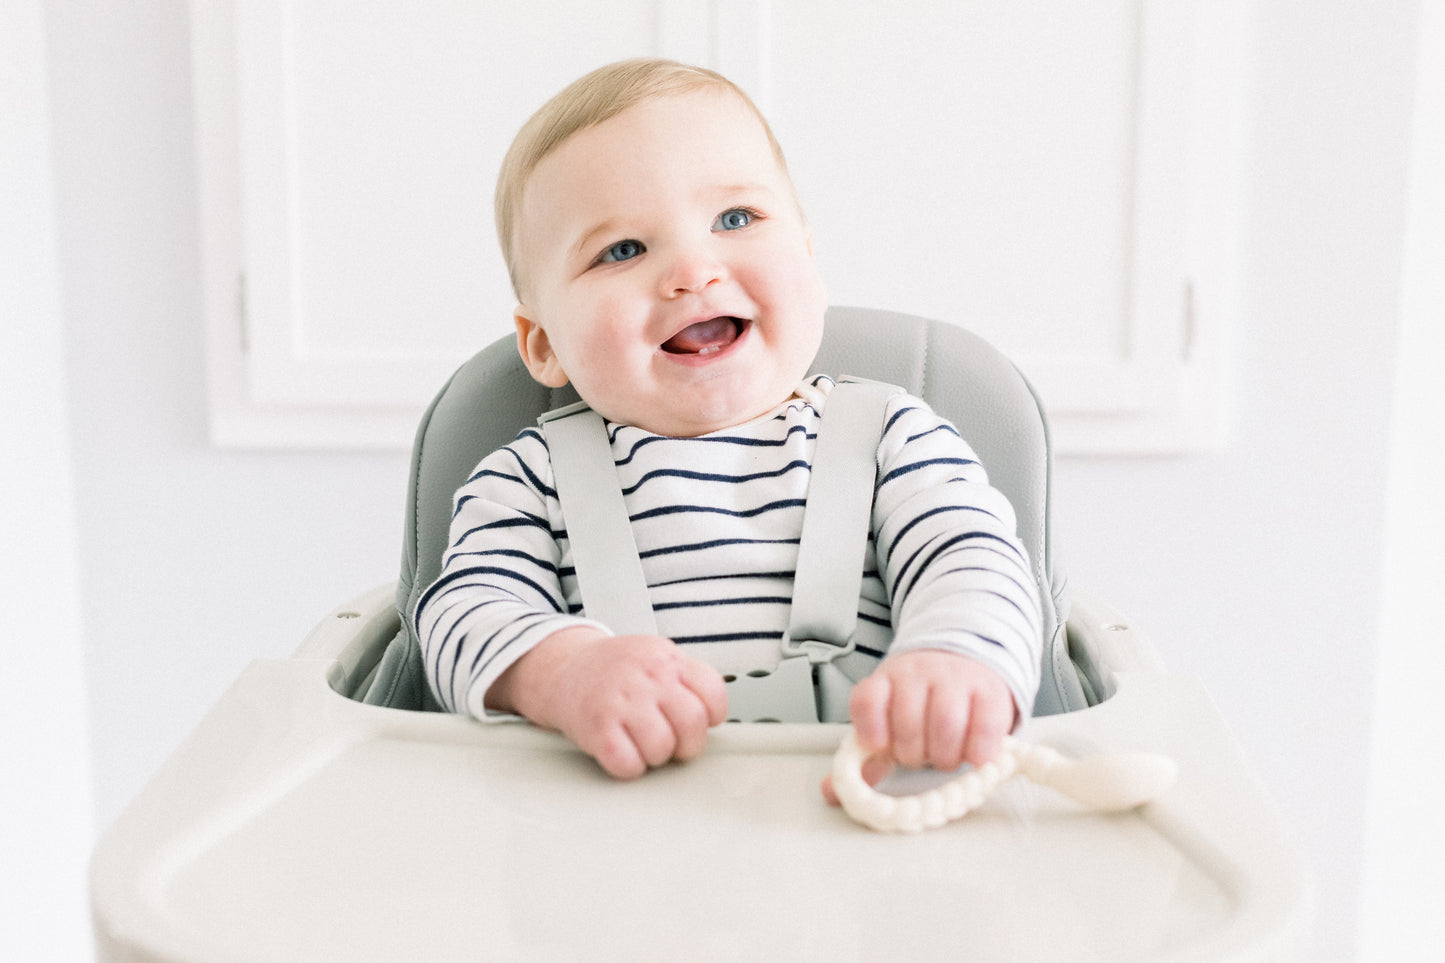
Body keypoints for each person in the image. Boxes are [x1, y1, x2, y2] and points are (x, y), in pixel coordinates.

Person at [414, 59, 1041, 799]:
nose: (692, 270)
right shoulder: (526, 478)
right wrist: (560, 671)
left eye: (735, 219)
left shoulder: (890, 438)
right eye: (621, 249)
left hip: (867, 806)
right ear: (543, 343)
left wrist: (955, 660)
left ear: (808, 261)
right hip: (610, 833)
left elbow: (968, 556)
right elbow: (463, 610)